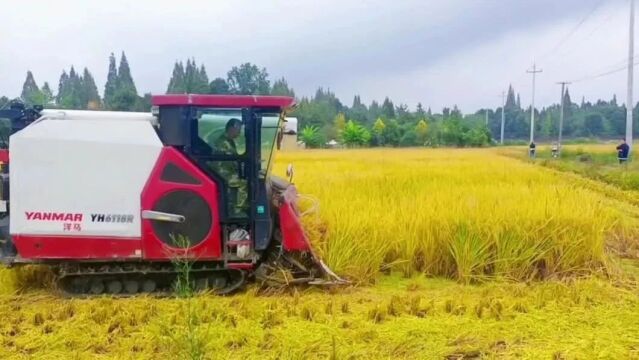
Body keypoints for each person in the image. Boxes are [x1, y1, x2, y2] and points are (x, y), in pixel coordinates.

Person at [213, 118, 248, 215]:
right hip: (222, 173)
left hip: (227, 171)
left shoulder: (228, 141)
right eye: (239, 130)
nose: (239, 133)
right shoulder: (224, 143)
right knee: (244, 183)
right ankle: (239, 210)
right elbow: (233, 160)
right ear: (232, 128)